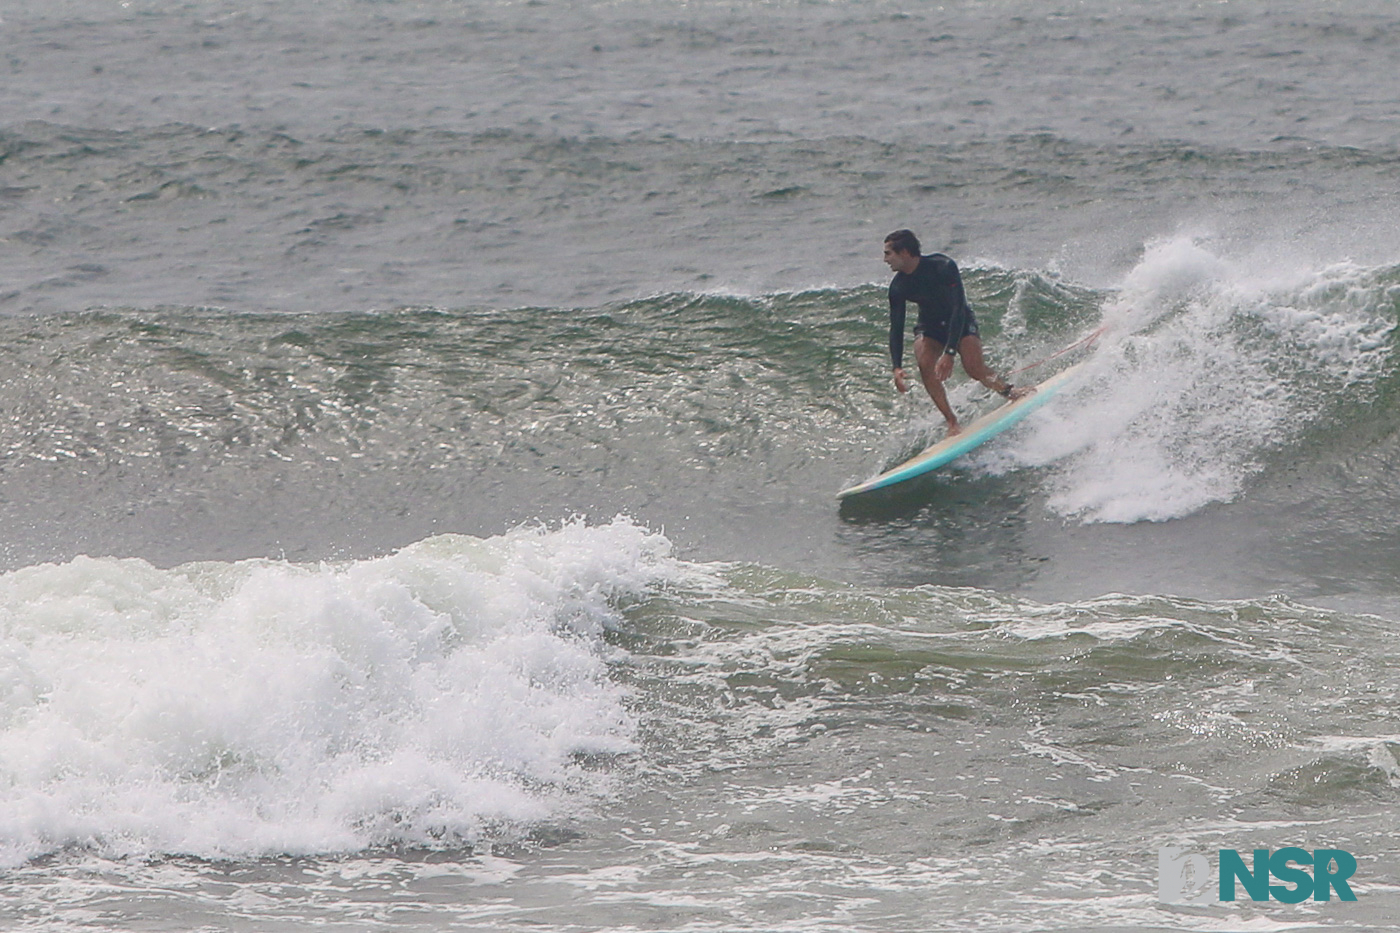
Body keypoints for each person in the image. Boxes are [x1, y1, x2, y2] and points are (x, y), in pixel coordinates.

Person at [883, 229, 1030, 437]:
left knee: (973, 367)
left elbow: (958, 308)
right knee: (925, 364)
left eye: (888, 253)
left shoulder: (943, 266)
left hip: (958, 320)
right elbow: (896, 327)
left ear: (905, 252)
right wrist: (896, 366)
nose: (885, 259)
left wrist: (950, 352)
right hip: (929, 326)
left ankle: (1009, 391)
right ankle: (951, 421)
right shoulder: (898, 287)